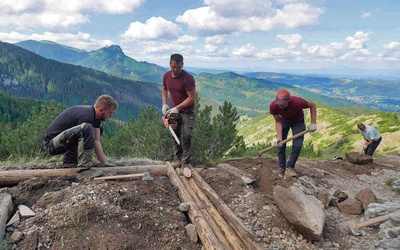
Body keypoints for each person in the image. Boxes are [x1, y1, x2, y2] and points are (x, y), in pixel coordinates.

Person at [44, 94, 118, 172]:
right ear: (100, 110)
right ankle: (84, 168)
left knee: (97, 130)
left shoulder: (95, 116)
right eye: (110, 112)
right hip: (52, 145)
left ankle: (70, 161)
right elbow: (85, 135)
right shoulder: (87, 116)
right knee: (86, 128)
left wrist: (104, 163)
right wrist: (86, 166)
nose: (111, 115)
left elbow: (96, 140)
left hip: (64, 140)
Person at [269, 89, 317, 178]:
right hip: (284, 121)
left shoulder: (297, 102)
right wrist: (279, 138)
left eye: (282, 103)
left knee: (297, 145)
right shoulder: (273, 106)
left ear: (288, 101)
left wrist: (313, 122)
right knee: (280, 145)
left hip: (298, 121)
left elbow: (312, 106)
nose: (280, 105)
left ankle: (290, 167)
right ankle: (282, 167)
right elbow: (278, 122)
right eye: (278, 103)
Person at [162, 54, 196, 170]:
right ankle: (178, 159)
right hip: (173, 110)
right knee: (175, 134)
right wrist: (165, 103)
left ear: (182, 65)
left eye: (178, 67)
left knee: (187, 135)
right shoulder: (166, 76)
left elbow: (191, 97)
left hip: (187, 111)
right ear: (170, 65)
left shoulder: (188, 78)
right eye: (173, 67)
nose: (175, 70)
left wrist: (178, 107)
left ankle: (186, 162)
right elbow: (164, 88)